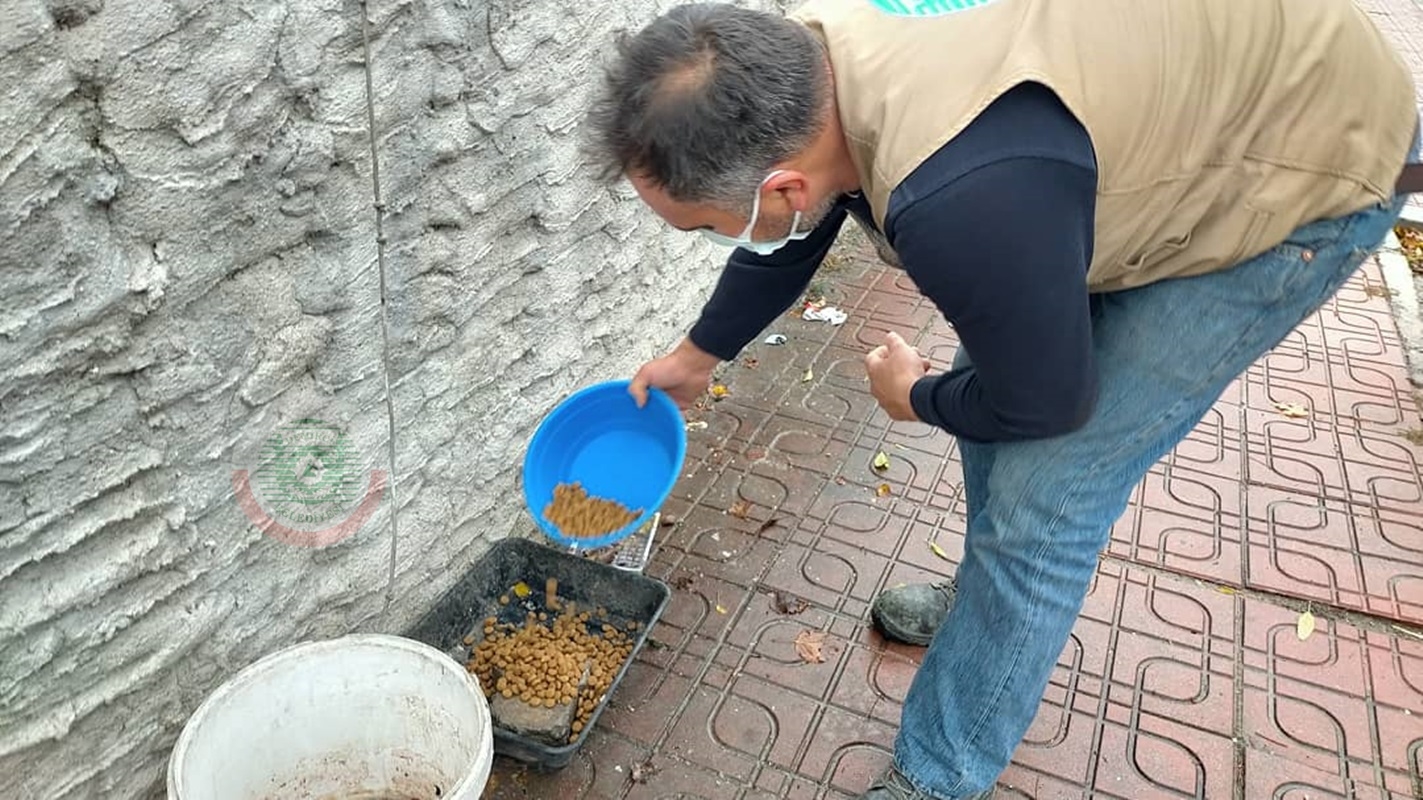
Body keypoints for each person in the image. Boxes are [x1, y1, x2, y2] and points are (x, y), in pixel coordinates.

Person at [582, 1, 1423, 797]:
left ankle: (938, 773)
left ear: (781, 188)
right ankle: (980, 609)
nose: (713, 236)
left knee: (1045, 502)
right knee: (995, 382)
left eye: (704, 225)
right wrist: (699, 353)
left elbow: (1046, 404)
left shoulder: (958, 197)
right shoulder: (809, 62)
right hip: (1143, 128)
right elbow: (810, 223)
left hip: (1304, 170)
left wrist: (915, 397)